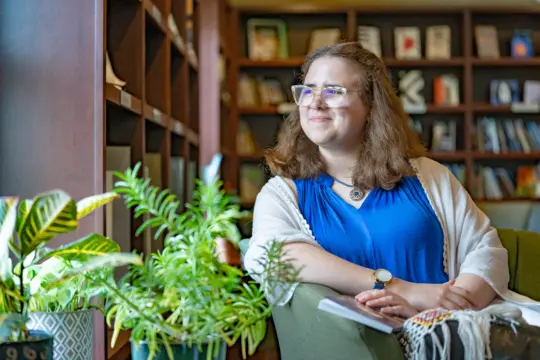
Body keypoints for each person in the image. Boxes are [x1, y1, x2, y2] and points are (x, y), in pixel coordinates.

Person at [242, 41, 540, 332]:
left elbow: (485, 250)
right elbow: (271, 255)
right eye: (308, 90)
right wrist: (399, 288)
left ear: (371, 106)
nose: (315, 102)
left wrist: (438, 314)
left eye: (333, 91)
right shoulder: (282, 193)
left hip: (443, 338)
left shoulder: (429, 176)